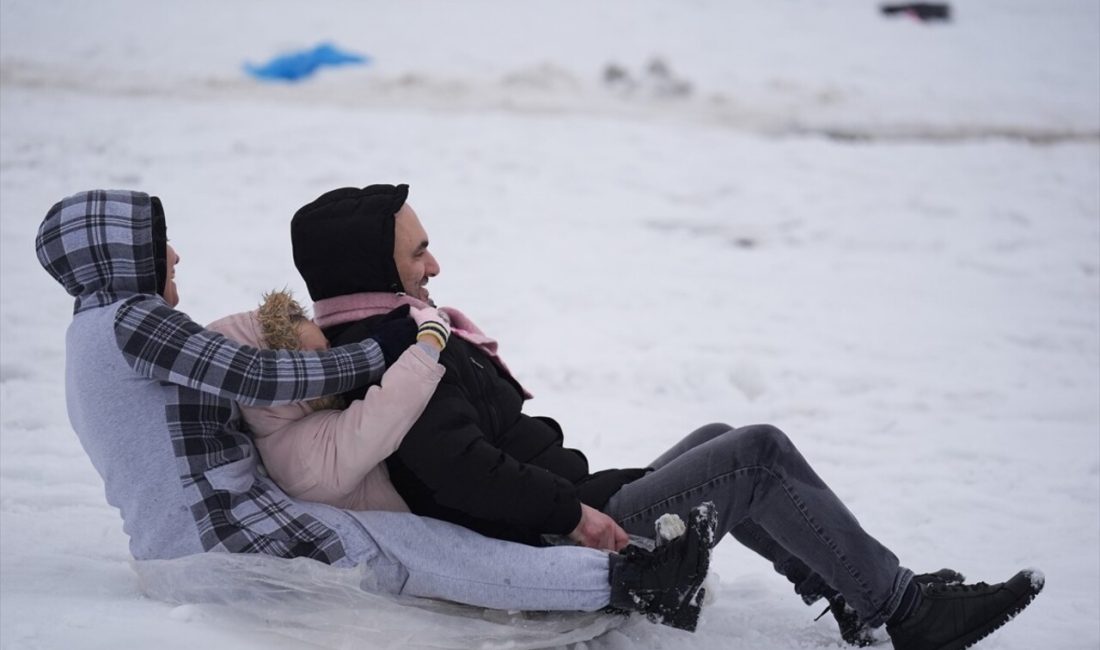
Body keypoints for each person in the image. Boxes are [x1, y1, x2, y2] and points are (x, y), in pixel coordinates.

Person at [288, 183, 1045, 650]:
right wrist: (577, 515)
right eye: (418, 252)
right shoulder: (402, 356)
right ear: (372, 268)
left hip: (564, 506)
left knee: (719, 442)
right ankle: (905, 611)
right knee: (755, 453)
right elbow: (459, 473)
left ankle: (855, 597)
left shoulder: (399, 337)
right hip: (560, 532)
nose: (436, 265)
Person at [34, 189, 718, 632]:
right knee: (409, 549)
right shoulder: (129, 320)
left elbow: (241, 361)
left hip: (189, 542)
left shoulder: (94, 335)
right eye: (157, 240)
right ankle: (632, 581)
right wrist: (388, 350)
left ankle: (612, 577)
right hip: (224, 539)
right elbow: (257, 374)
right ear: (118, 254)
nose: (174, 252)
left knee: (407, 548)